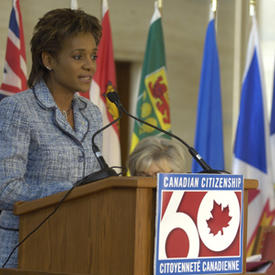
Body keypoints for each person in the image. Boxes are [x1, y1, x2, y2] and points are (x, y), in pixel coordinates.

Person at [0, 8, 103, 268]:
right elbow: (6, 188)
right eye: (78, 56)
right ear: (49, 59)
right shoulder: (18, 110)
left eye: (93, 56)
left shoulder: (91, 114)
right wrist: (65, 191)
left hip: (79, 246)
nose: (89, 65)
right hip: (23, 250)